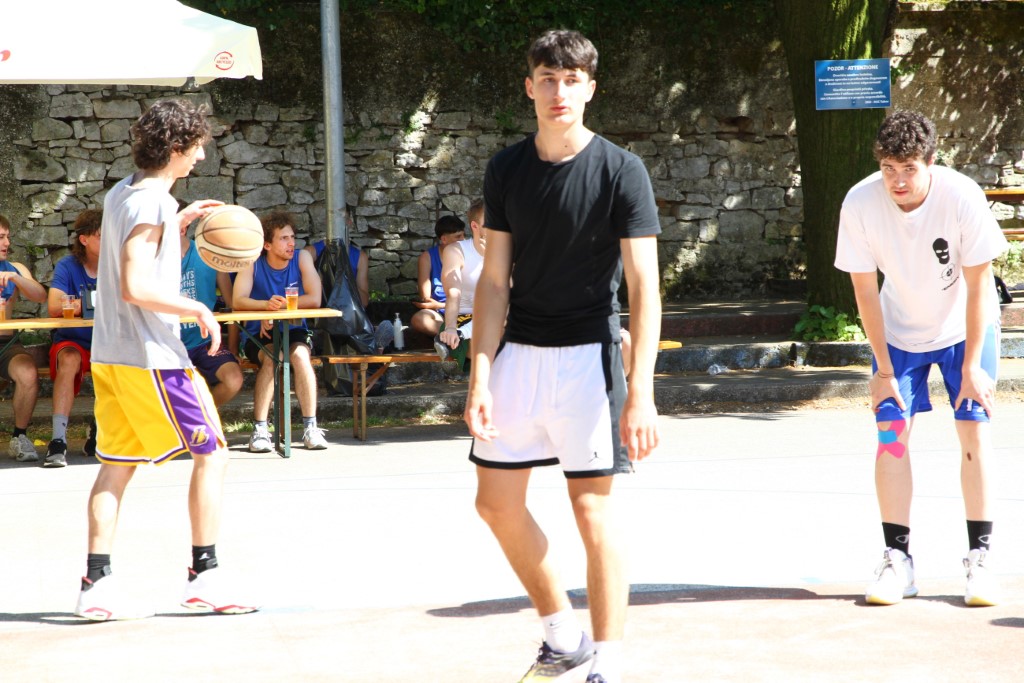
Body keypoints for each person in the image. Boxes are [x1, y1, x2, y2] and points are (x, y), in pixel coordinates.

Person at [465, 30, 662, 683]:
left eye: (572, 79)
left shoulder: (621, 170)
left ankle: (608, 663)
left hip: (589, 359)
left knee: (592, 512)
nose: (559, 91)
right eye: (548, 78)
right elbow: (494, 282)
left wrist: (641, 391)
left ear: (590, 89)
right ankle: (563, 636)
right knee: (495, 504)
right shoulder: (506, 169)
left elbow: (644, 287)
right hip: (520, 351)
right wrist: (481, 375)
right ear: (530, 87)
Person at [76, 99, 258, 620]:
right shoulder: (152, 203)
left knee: (115, 467)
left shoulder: (123, 192)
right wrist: (196, 306)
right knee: (213, 453)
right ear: (176, 147)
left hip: (112, 355)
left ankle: (96, 585)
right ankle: (205, 575)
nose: (201, 157)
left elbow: (138, 256)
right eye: (196, 147)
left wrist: (177, 223)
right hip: (152, 357)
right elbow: (134, 285)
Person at [835, 110, 1009, 607]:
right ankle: (898, 560)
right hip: (898, 333)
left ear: (931, 162)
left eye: (909, 168)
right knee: (891, 437)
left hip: (965, 329)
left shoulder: (961, 196)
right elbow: (864, 291)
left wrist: (972, 367)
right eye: (888, 168)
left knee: (974, 428)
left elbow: (979, 285)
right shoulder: (860, 202)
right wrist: (883, 370)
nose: (898, 181)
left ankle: (980, 560)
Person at [234, 210, 327, 451]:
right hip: (259, 333)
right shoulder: (252, 262)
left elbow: (315, 299)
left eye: (292, 237)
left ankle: (311, 428)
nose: (291, 243)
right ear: (267, 245)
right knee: (274, 356)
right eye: (284, 238)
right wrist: (266, 308)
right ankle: (260, 430)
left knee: (300, 355)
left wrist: (280, 307)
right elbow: (238, 300)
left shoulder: (302, 258)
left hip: (294, 328)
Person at [44, 209, 102, 467]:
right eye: (101, 236)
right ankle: (58, 440)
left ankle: (99, 430)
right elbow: (54, 305)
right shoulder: (68, 265)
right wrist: (90, 303)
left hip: (108, 340)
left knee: (120, 359)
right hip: (73, 340)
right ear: (84, 239)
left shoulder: (119, 264)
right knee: (68, 359)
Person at [180, 217, 243, 407]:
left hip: (205, 342)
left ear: (183, 229)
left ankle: (199, 417)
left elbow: (231, 307)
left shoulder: (208, 255)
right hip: (167, 344)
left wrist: (233, 349)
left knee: (233, 380)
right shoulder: (150, 258)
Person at [0, 214, 48, 463]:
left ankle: (19, 436)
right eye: (1, 237)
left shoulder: (16, 268)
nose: (7, 243)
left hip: (6, 344)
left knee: (28, 372)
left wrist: (17, 279)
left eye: (8, 237)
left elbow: (40, 296)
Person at [434, 200, 485, 370]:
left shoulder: (508, 251)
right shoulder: (456, 251)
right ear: (475, 226)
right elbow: (453, 293)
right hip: (462, 318)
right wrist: (450, 328)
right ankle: (457, 335)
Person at [410, 214, 466, 337]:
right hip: (439, 313)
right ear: (444, 239)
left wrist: (439, 304)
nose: (463, 240)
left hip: (465, 309)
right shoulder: (427, 257)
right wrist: (439, 306)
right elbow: (426, 298)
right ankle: (456, 336)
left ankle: (453, 335)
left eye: (463, 235)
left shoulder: (469, 255)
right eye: (458, 237)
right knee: (419, 319)